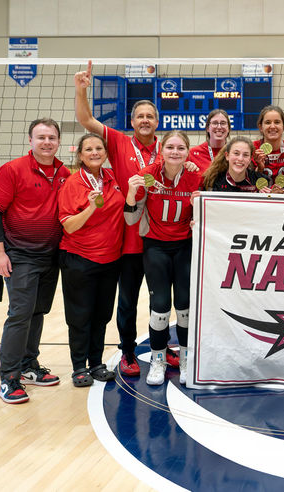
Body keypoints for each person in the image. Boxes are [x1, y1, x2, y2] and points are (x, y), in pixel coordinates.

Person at [73, 60, 161, 377]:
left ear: (157, 120)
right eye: (140, 116)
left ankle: (161, 351)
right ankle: (127, 354)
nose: (145, 120)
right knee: (126, 302)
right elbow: (86, 119)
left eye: (150, 115)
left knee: (160, 302)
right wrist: (81, 89)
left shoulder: (168, 149)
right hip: (127, 240)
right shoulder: (119, 141)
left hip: (160, 239)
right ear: (133, 121)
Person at [0, 118, 70, 402]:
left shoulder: (65, 173)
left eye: (51, 137)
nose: (46, 142)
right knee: (20, 313)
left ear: (58, 141)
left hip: (51, 255)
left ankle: (27, 365)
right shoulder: (12, 170)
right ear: (30, 141)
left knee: (38, 311)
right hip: (20, 254)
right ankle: (8, 378)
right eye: (41, 137)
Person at [125, 130, 203, 387]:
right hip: (156, 247)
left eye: (181, 148)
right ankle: (158, 359)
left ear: (188, 152)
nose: (175, 152)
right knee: (160, 308)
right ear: (162, 150)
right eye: (170, 147)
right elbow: (130, 218)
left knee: (185, 309)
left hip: (184, 247)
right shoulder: (148, 174)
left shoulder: (196, 176)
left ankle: (186, 358)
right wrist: (131, 193)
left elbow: (205, 216)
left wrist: (199, 213)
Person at [58, 133, 123, 388]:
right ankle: (78, 367)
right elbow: (69, 227)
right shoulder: (73, 184)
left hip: (110, 259)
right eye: (89, 149)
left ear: (105, 152)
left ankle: (96, 363)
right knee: (79, 316)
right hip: (79, 259)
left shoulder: (113, 178)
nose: (94, 152)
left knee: (102, 315)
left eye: (99, 148)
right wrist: (90, 208)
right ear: (81, 155)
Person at [202, 137, 270, 193]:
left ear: (249, 159)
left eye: (245, 155)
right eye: (236, 153)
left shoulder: (261, 181)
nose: (240, 159)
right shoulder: (213, 181)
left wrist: (267, 197)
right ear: (227, 156)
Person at [252, 105, 284, 178]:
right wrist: (260, 168)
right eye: (268, 122)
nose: (272, 126)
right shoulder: (252, 148)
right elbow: (248, 182)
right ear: (260, 127)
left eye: (277, 122)